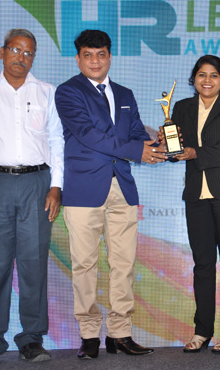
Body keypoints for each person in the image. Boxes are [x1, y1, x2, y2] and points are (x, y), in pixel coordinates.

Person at [55, 29, 167, 359]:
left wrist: (159, 143)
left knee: (124, 263)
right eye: (88, 55)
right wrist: (136, 149)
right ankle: (89, 334)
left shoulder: (125, 93)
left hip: (123, 188)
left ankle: (120, 333)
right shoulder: (68, 92)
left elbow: (136, 134)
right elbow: (89, 135)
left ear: (110, 56)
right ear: (78, 59)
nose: (95, 61)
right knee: (84, 265)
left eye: (101, 54)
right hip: (84, 189)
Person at [0, 29, 64, 366]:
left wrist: (56, 186)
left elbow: (57, 141)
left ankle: (32, 339)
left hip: (37, 184)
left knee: (33, 263)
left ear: (34, 58)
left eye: (28, 52)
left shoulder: (47, 92)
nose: (21, 57)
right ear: (2, 52)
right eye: (16, 50)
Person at [166, 55, 220, 354]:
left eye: (214, 75)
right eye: (202, 75)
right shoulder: (182, 107)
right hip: (196, 195)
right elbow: (177, 149)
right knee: (202, 265)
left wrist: (194, 153)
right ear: (194, 79)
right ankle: (202, 329)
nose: (207, 80)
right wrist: (169, 147)